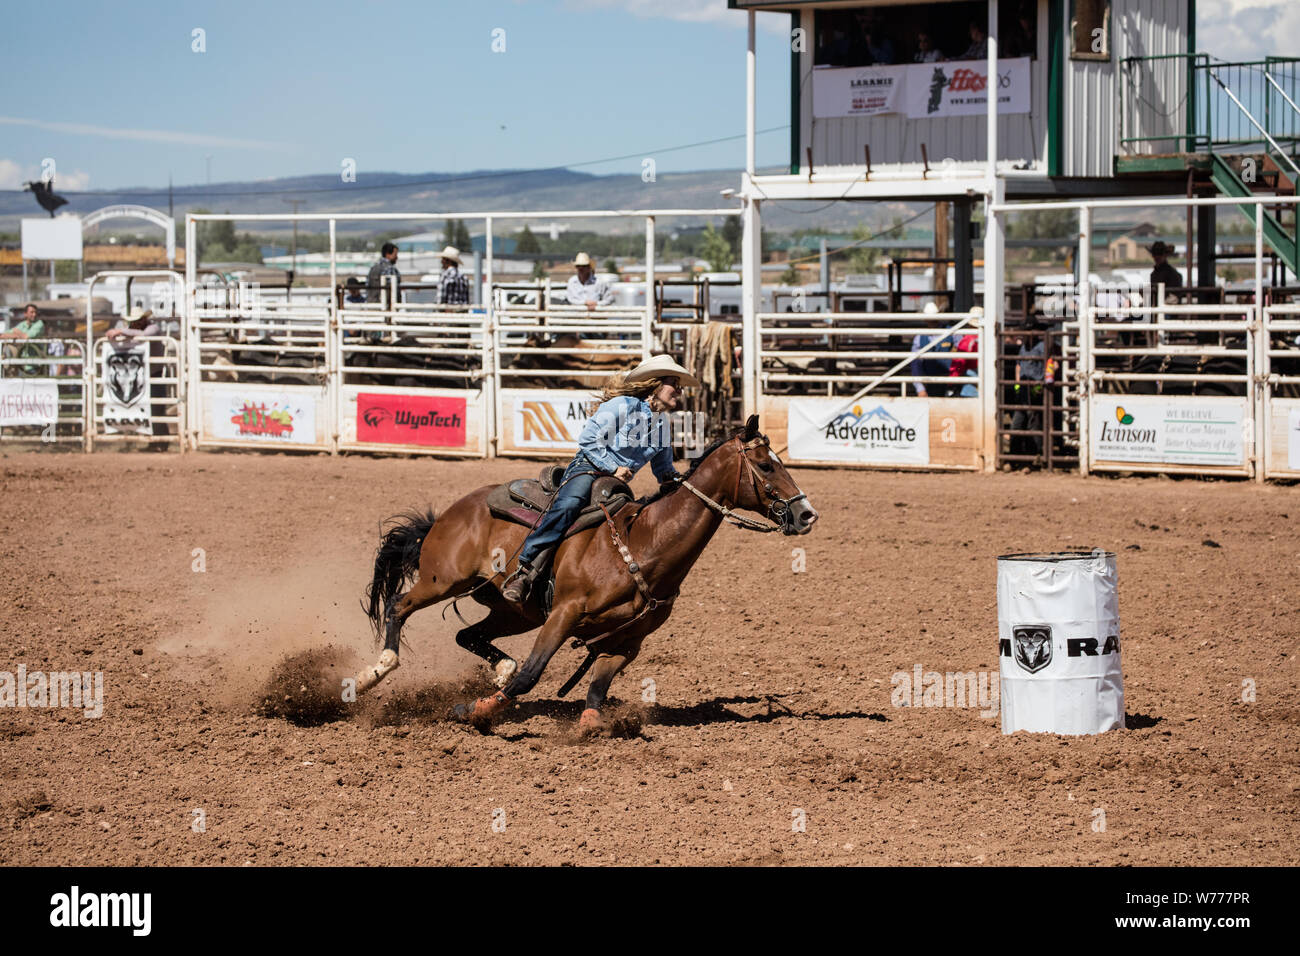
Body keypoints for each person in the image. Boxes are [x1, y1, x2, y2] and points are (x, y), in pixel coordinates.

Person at [500, 354, 698, 604]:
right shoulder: (623, 405)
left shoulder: (662, 426)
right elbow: (588, 440)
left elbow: (664, 470)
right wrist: (614, 467)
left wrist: (685, 482)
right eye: (674, 383)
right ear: (656, 384)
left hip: (615, 484)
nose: (679, 390)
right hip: (588, 467)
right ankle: (525, 570)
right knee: (570, 504)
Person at [1011, 318, 1047, 460]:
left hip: (1034, 387)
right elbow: (1018, 364)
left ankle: (1034, 455)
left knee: (1032, 421)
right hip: (1025, 388)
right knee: (1019, 421)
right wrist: (1018, 383)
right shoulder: (1024, 347)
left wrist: (1041, 382)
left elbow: (1050, 365)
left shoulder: (1041, 347)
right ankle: (1016, 456)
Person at [909, 303, 958, 397]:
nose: (932, 322)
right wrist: (920, 388)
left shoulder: (952, 333)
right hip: (929, 382)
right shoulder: (920, 337)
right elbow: (915, 364)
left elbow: (961, 355)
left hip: (950, 381)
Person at [948, 306, 983, 397]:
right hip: (985, 375)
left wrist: (953, 379)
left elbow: (959, 362)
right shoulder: (987, 338)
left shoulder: (967, 340)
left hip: (970, 376)